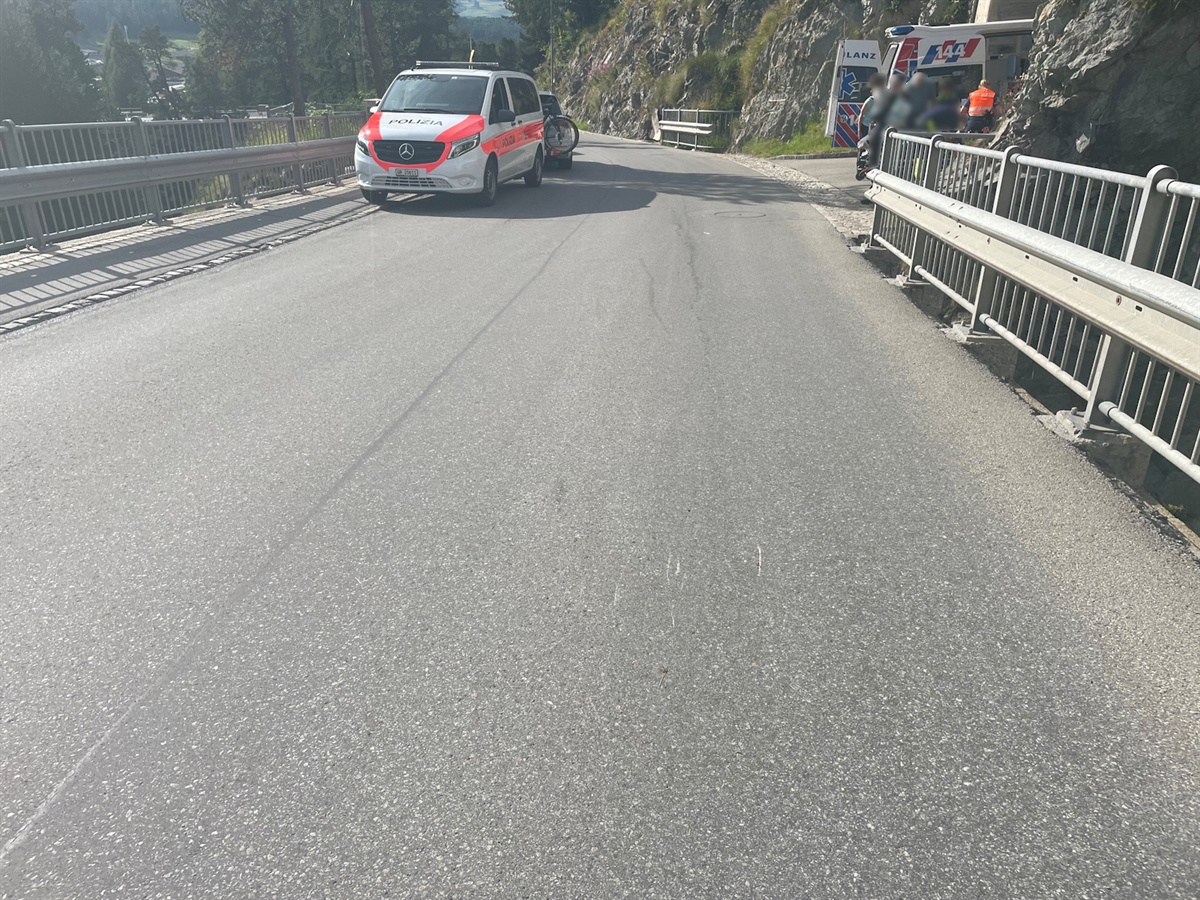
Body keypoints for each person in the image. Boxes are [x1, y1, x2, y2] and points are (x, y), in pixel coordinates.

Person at [857, 72, 887, 140]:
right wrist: (859, 130)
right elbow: (861, 115)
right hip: (866, 126)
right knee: (864, 145)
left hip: (876, 126)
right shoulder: (869, 101)